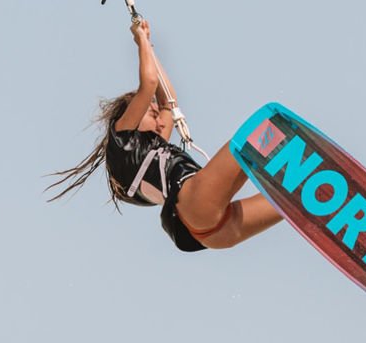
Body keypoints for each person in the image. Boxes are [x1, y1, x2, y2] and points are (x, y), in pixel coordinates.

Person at [46, 19, 282, 253]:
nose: (161, 119)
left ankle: (317, 192)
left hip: (213, 233)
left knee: (297, 201)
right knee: (265, 130)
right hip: (197, 204)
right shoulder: (123, 139)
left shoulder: (146, 152)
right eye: (151, 112)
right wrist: (140, 42)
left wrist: (149, 45)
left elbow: (168, 103)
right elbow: (149, 83)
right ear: (132, 117)